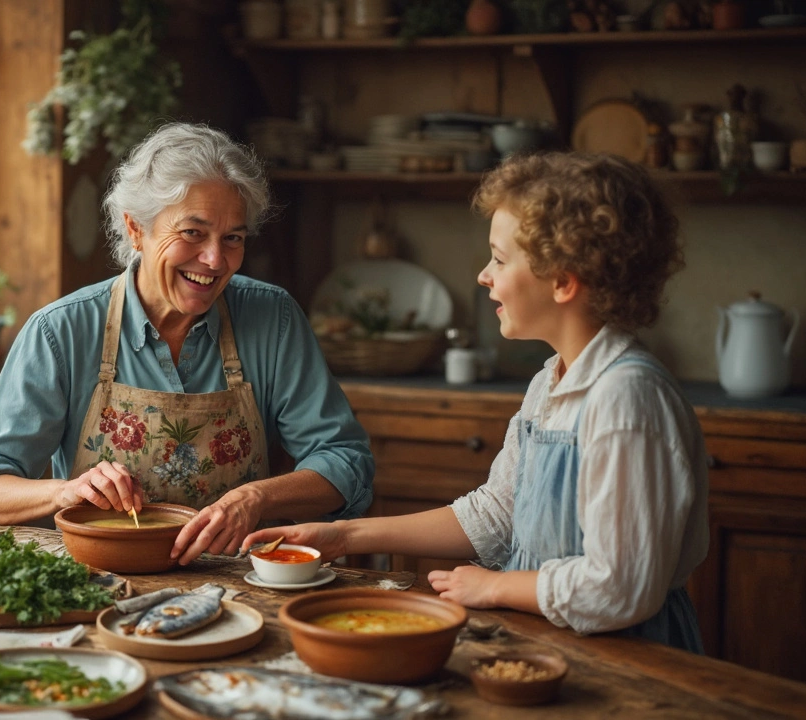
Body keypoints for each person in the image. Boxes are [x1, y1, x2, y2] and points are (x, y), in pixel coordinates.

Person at [244, 153, 709, 652]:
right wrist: (345, 537)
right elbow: (495, 516)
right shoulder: (549, 383)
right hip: (554, 642)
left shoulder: (627, 399)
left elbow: (620, 591)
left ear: (563, 280)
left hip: (630, 656)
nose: (484, 276)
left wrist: (495, 586)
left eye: (500, 259)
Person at [0, 123, 374, 565]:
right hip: (102, 582)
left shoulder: (273, 320)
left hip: (240, 584)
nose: (215, 260)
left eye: (233, 238)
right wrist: (64, 491)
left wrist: (256, 498)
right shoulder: (62, 330)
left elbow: (346, 463)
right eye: (192, 233)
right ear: (135, 230)